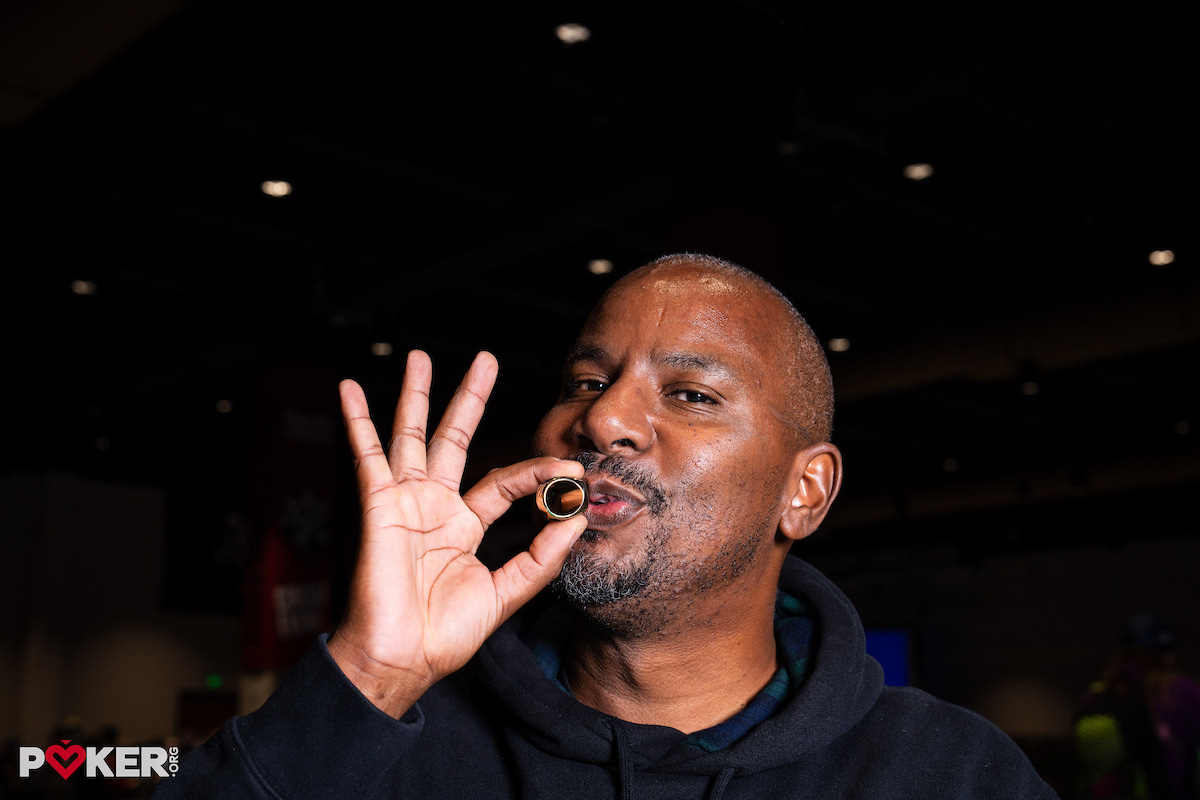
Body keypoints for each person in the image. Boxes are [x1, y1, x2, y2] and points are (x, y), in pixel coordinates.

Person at [158, 254, 1058, 798]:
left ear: (806, 491)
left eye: (690, 394)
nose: (602, 419)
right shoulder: (386, 746)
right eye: (587, 383)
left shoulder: (950, 773)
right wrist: (369, 677)